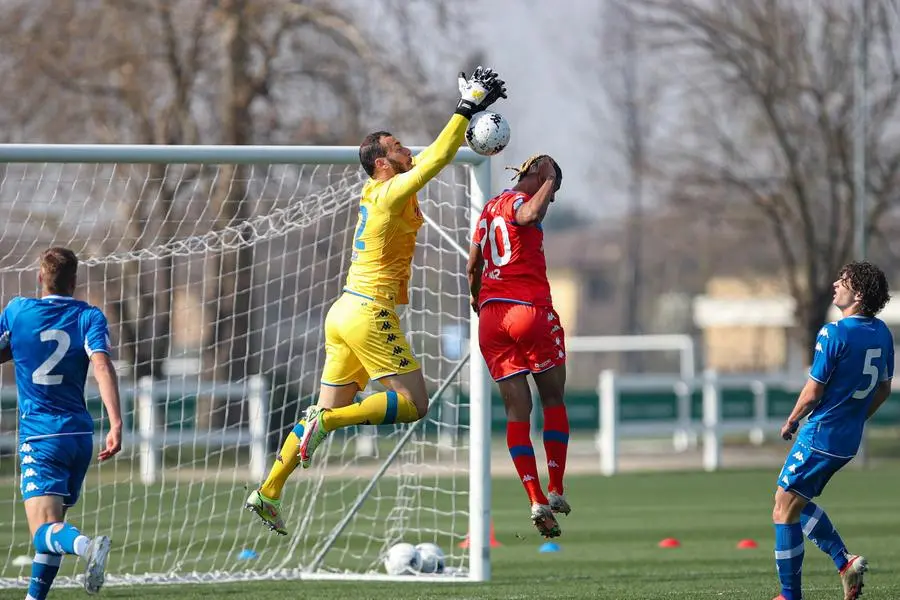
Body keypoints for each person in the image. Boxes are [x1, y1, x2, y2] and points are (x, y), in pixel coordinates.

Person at [245, 67, 508, 535]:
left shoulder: (379, 188)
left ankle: (267, 489)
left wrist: (471, 108)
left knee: (322, 409)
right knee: (414, 404)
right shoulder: (388, 192)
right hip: (369, 312)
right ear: (382, 163)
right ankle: (326, 425)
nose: (409, 150)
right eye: (399, 147)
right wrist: (466, 108)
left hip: (343, 311)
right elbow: (436, 161)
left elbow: (434, 154)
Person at [0, 247, 122, 597]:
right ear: (74, 281)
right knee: (53, 530)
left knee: (43, 530)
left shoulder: (18, 311)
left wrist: (19, 350)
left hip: (41, 436)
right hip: (80, 435)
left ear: (40, 277)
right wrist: (116, 424)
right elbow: (102, 366)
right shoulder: (90, 317)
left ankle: (87, 547)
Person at [772, 261, 893, 600]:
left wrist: (792, 420)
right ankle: (845, 562)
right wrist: (855, 419)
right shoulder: (882, 332)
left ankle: (789, 595)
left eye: (844, 281)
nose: (836, 285)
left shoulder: (833, 333)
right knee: (793, 499)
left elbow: (813, 392)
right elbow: (883, 389)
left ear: (858, 294)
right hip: (847, 439)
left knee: (783, 507)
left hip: (821, 433)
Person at [466, 155, 568, 539]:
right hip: (528, 310)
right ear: (540, 174)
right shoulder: (517, 204)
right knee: (553, 398)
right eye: (553, 188)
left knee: (516, 411)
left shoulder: (488, 208)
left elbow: (472, 265)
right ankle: (555, 487)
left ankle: (535, 498)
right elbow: (529, 216)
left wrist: (478, 302)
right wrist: (550, 180)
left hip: (492, 318)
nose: (552, 197)